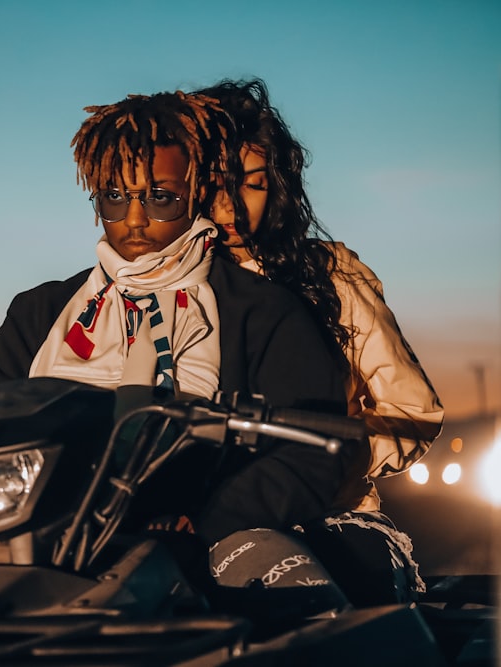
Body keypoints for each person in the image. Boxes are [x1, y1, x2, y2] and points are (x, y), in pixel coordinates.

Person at [0, 90, 371, 555]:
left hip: (205, 552)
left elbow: (312, 456)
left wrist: (208, 523)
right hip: (43, 547)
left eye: (160, 197)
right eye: (115, 197)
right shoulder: (40, 311)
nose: (136, 218)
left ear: (195, 192)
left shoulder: (263, 312)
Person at [192, 78, 443, 605]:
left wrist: (323, 466)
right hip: (207, 524)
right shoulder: (164, 288)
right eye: (215, 184)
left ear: (278, 185)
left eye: (252, 183)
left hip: (335, 519)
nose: (231, 206)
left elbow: (412, 411)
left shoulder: (329, 275)